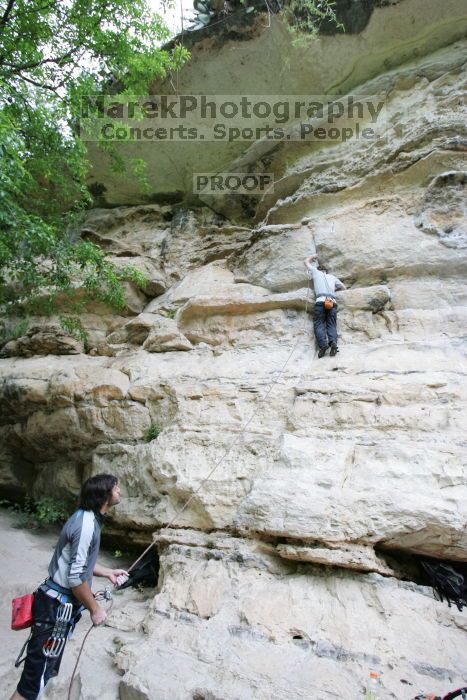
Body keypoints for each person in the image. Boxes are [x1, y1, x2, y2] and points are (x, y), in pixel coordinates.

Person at [10, 474, 129, 700]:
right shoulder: (86, 525)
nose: (120, 491)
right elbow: (75, 579)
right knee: (31, 685)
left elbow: (78, 562)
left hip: (55, 606)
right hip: (55, 608)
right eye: (116, 488)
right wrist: (95, 609)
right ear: (104, 495)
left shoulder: (86, 518)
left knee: (40, 677)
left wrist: (107, 572)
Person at [305, 253, 346, 358]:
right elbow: (343, 287)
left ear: (318, 269)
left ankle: (323, 345)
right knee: (331, 324)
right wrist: (333, 290)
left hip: (320, 301)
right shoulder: (332, 277)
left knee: (319, 324)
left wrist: (313, 256)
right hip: (332, 302)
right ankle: (333, 343)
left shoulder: (315, 272)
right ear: (326, 271)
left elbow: (306, 262)